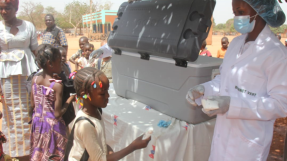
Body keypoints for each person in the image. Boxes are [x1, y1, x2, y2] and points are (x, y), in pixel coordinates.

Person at [186, 0, 287, 160]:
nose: (237, 19)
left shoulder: (276, 54)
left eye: (241, 12)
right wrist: (204, 89)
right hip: (222, 137)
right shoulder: (235, 44)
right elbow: (225, 81)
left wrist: (232, 105)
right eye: (235, 14)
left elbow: (281, 104)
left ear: (259, 11)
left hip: (248, 145)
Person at [66, 67, 151, 161]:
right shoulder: (85, 125)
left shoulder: (96, 112)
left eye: (107, 90)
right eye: (102, 94)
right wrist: (133, 146)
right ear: (84, 95)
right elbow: (100, 159)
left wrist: (108, 149)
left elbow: (96, 141)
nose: (108, 96)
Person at [0, 0, 38, 160]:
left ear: (15, 8)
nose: (3, 12)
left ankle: (32, 151)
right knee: (11, 114)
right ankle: (15, 152)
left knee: (29, 110)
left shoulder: (28, 26)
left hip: (27, 76)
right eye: (0, 8)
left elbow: (35, 50)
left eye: (7, 8)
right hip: (6, 78)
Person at [30, 44, 75, 161]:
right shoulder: (57, 86)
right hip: (53, 128)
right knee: (54, 156)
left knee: (40, 154)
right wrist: (69, 100)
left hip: (38, 124)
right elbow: (57, 114)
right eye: (59, 61)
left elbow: (33, 104)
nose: (62, 64)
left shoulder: (34, 80)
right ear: (50, 64)